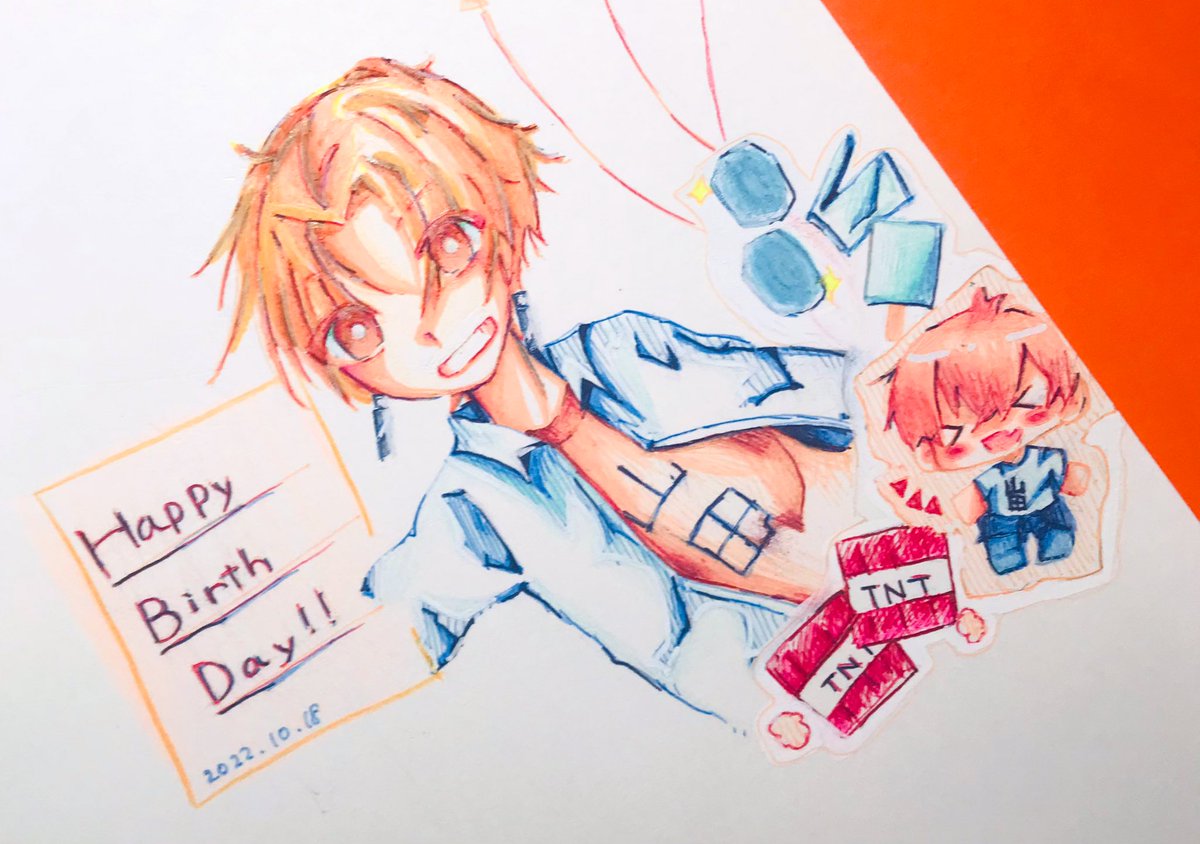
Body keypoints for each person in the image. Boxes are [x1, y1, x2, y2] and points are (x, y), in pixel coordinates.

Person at [205, 58, 857, 720]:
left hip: (890, 541)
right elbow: (376, 643)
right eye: (359, 329)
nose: (429, 324)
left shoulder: (628, 348)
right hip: (801, 708)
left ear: (495, 212)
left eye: (447, 246)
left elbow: (839, 396)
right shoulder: (473, 507)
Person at [883, 287, 1091, 576]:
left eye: (1029, 403)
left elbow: (1073, 480)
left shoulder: (1047, 458)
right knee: (1004, 551)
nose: (1001, 429)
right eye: (956, 431)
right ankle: (1011, 567)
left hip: (1047, 507)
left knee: (1058, 537)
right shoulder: (988, 476)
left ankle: (1056, 558)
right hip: (1001, 518)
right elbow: (970, 508)